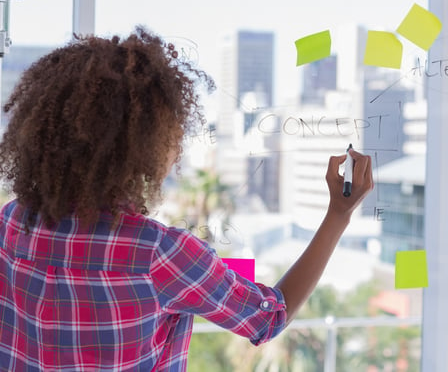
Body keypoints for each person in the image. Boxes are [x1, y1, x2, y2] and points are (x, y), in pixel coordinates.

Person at [0, 26, 373, 371]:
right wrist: (338, 216)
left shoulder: (12, 222)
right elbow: (270, 316)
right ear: (146, 145)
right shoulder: (160, 254)